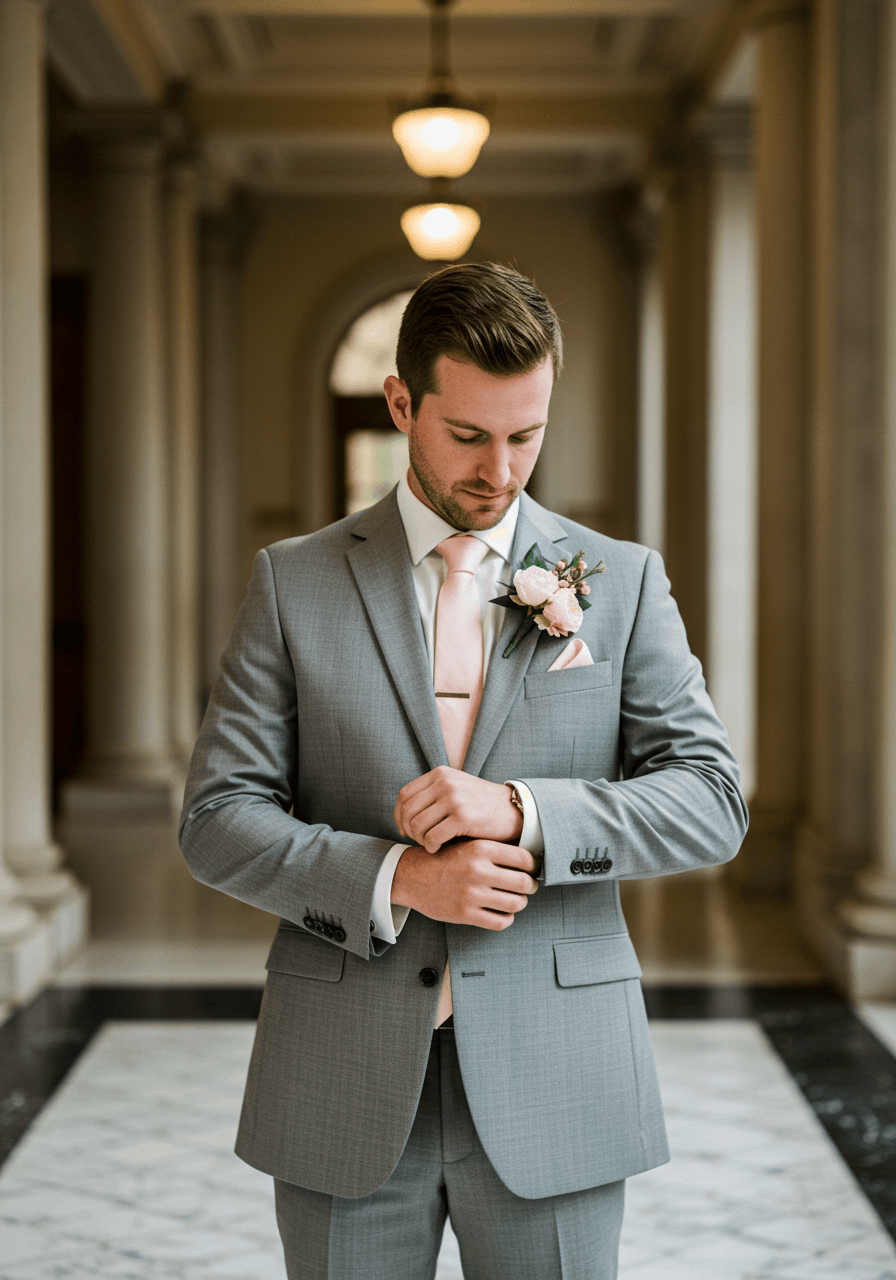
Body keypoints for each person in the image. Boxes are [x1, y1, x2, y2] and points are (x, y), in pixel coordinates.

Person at [180, 262, 747, 1280]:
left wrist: (526, 810)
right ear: (402, 403)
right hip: (341, 1075)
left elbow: (710, 797)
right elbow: (216, 817)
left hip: (556, 1072)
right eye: (468, 435)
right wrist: (393, 879)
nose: (502, 469)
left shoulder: (619, 579)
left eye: (525, 433)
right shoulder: (293, 579)